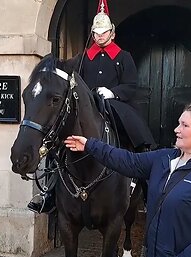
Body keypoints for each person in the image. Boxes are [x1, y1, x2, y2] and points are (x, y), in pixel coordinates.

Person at [64, 102, 191, 257]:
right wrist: (90, 145)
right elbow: (128, 161)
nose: (176, 129)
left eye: (184, 125)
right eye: (178, 123)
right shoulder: (164, 158)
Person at [27, 0, 155, 213]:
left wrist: (113, 92)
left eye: (103, 32)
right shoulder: (84, 58)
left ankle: (145, 186)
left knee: (133, 134)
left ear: (112, 33)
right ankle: (49, 192)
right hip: (88, 105)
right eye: (96, 33)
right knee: (60, 138)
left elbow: (131, 86)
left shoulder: (123, 57)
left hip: (115, 103)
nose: (99, 36)